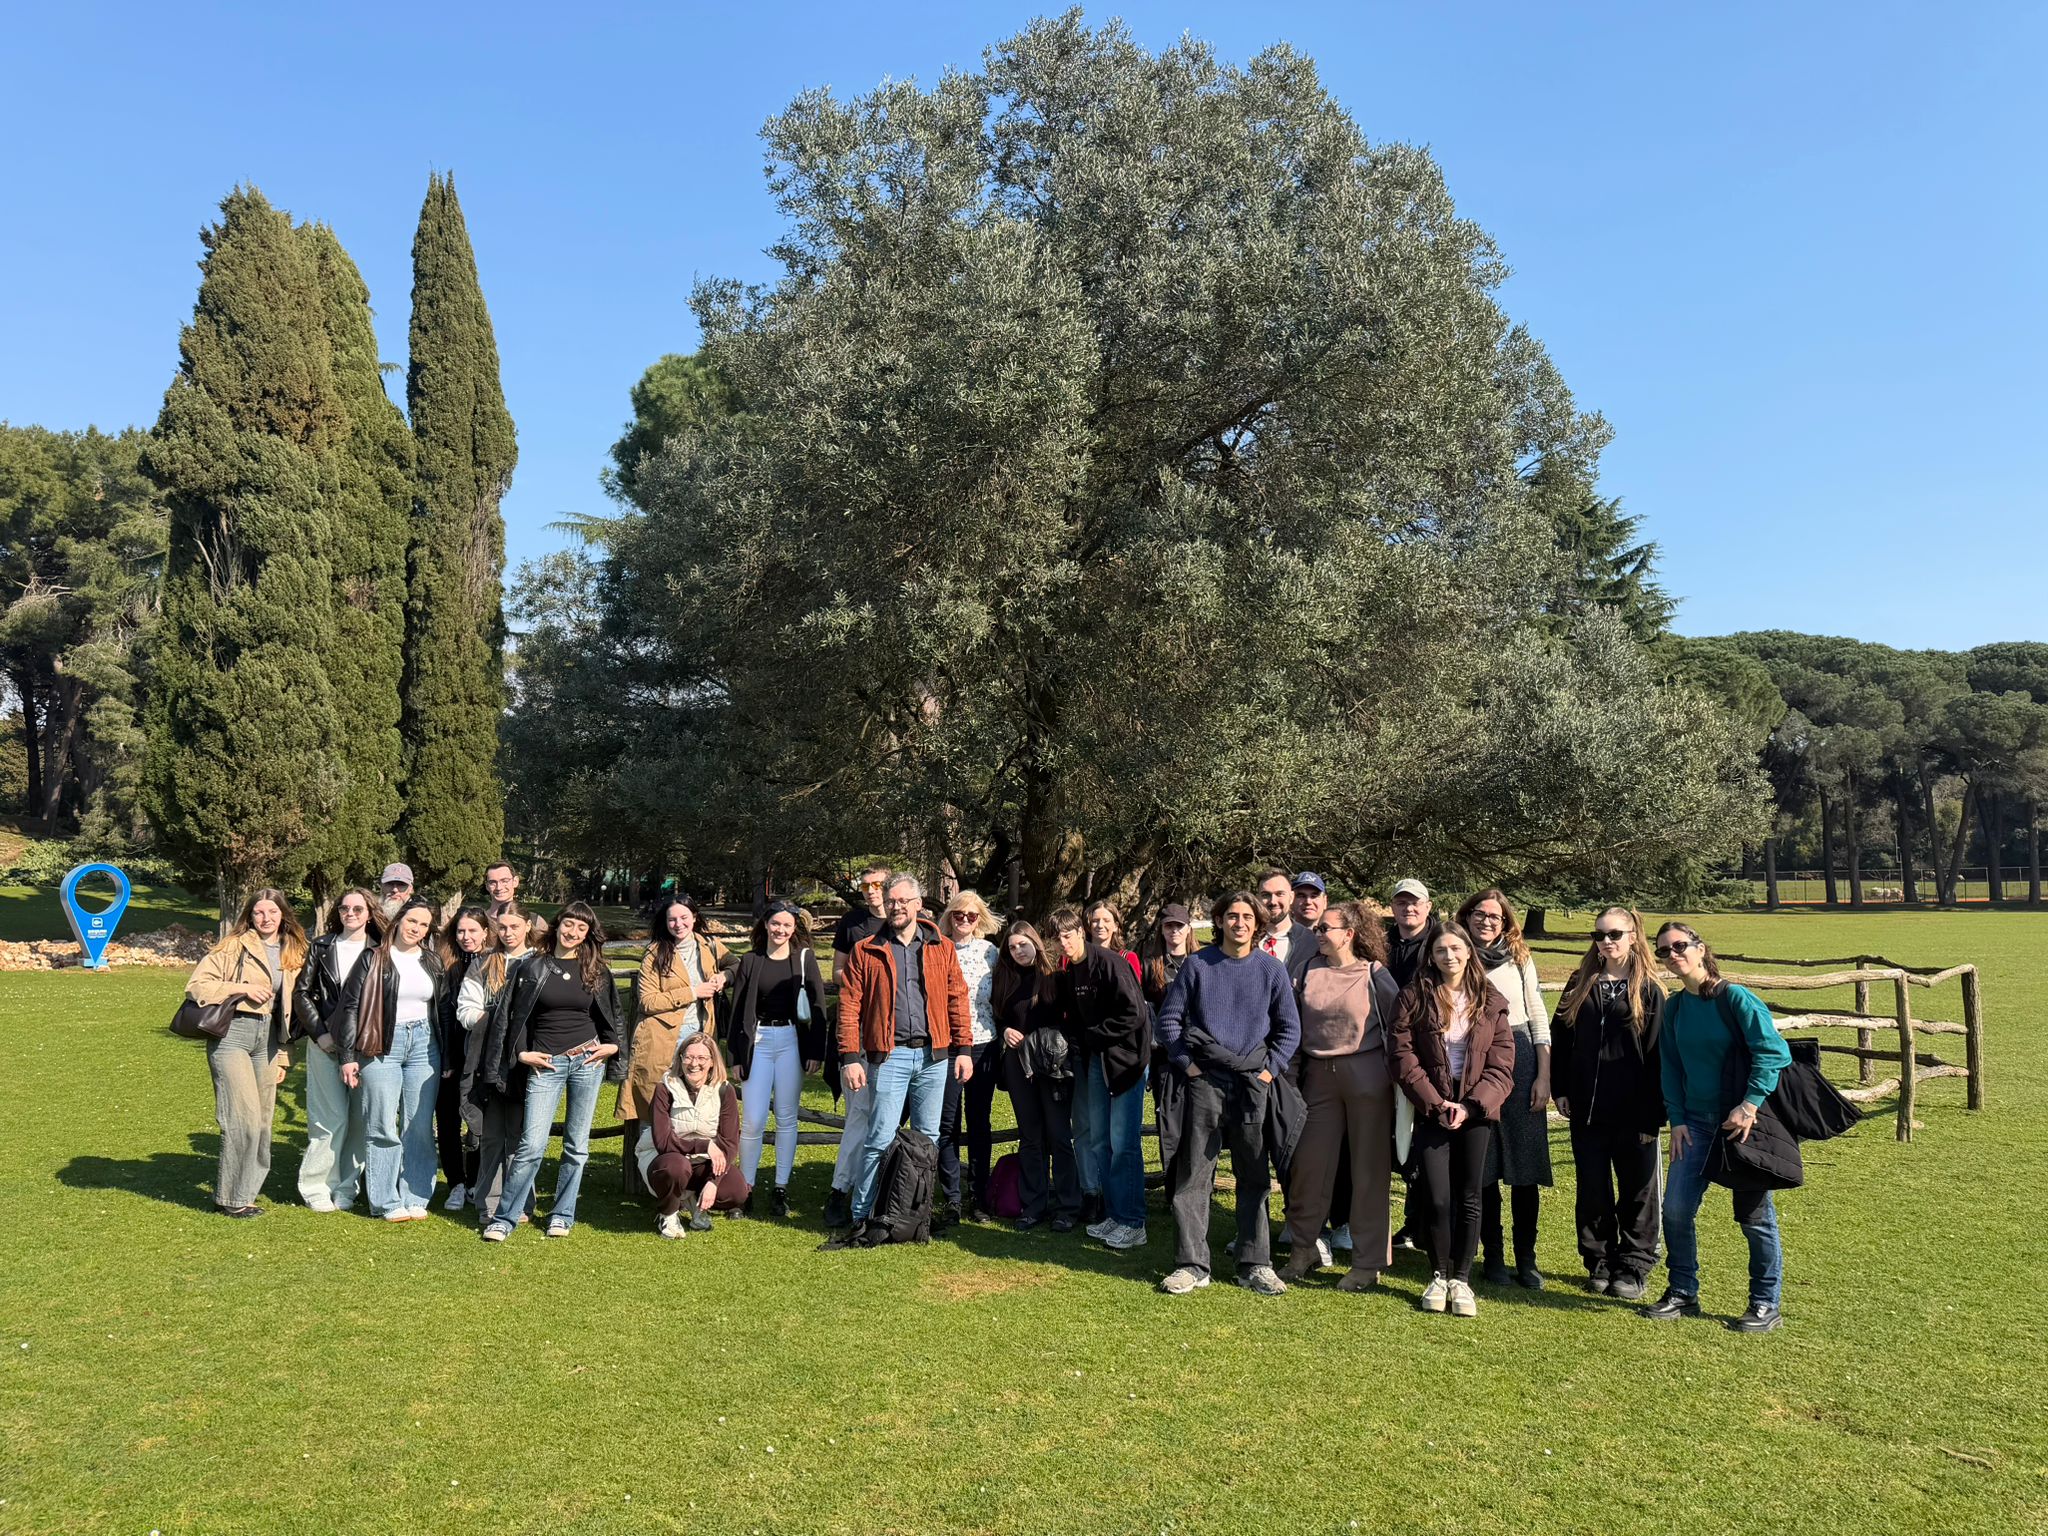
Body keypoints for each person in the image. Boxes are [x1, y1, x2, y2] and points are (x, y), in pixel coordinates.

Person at [1644, 921, 1791, 1333]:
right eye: (1663, 951)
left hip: (1741, 1125)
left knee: (1754, 1218)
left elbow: (1774, 1053)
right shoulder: (1675, 1007)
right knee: (1675, 1210)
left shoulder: (1735, 998)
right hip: (1694, 1124)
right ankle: (1682, 1291)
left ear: (1700, 948)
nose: (1673, 955)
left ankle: (1765, 1303)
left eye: (1679, 946)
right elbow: (1670, 1068)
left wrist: (1749, 1104)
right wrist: (1676, 1120)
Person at [1153, 890, 1300, 1296]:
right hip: (1206, 1083)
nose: (1240, 923)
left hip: (1253, 1084)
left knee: (1253, 1174)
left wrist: (1269, 1072)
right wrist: (1189, 1065)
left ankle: (1255, 1264)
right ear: (1219, 921)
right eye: (1232, 916)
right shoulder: (1198, 965)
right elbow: (1168, 1023)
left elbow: (1289, 1029)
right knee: (1194, 1174)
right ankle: (1191, 1264)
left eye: (1247, 917)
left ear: (1257, 924)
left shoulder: (1270, 969)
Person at [824, 874, 973, 1248]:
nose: (896, 907)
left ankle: (916, 1217)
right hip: (888, 1056)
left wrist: (964, 1050)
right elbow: (849, 1007)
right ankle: (862, 1216)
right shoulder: (867, 949)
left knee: (928, 1141)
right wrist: (850, 1057)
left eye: (904, 900)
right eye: (891, 901)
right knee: (878, 1138)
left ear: (919, 904)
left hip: (934, 1057)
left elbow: (957, 999)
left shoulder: (941, 946)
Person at [1387, 921, 1516, 1317]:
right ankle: (1439, 1275)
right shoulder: (1414, 996)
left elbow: (1502, 1064)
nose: (1449, 956)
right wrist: (1435, 1102)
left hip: (1475, 1113)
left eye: (1456, 948)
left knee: (1470, 1196)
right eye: (1441, 950)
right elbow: (1402, 1055)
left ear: (1468, 952)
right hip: (1432, 1110)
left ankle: (1461, 1279)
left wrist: (1471, 1106)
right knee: (1437, 1197)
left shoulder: (1490, 1000)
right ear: (1431, 955)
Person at [482, 901, 622, 1241]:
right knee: (532, 1144)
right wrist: (522, 1053)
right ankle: (505, 1218)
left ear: (588, 934)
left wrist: (612, 1046)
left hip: (586, 1061)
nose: (573, 932)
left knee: (576, 1146)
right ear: (557, 925)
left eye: (581, 928)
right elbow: (514, 1015)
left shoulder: (596, 970)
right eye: (569, 924)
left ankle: (562, 1215)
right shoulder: (532, 967)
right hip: (545, 1064)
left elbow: (612, 1013)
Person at [1280, 900, 1400, 1290]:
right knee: (1308, 1167)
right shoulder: (1305, 970)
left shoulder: (1374, 974)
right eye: (1317, 928)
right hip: (1317, 1078)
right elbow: (1290, 1026)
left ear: (1349, 934)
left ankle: (1368, 1263)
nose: (1317, 933)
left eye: (1325, 928)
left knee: (1369, 1170)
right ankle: (1303, 1249)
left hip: (1368, 1078)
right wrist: (1291, 1077)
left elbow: (1398, 1027)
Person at [1551, 907, 1667, 1300]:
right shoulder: (1580, 983)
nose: (1606, 941)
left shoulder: (1649, 989)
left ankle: (1633, 1267)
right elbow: (1561, 1039)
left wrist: (1654, 1113)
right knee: (1593, 1190)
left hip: (1635, 1112)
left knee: (1638, 1192)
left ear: (1633, 936)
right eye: (1599, 935)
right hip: (1586, 1110)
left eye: (1615, 934)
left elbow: (1659, 1055)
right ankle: (1598, 1262)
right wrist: (1561, 1088)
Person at [186, 888, 309, 1217]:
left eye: (272, 912)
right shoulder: (233, 945)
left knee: (263, 1121)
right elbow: (197, 986)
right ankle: (231, 1199)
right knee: (242, 1119)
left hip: (269, 1041)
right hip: (233, 1035)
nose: (266, 918)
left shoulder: (294, 951)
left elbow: (291, 1011)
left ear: (283, 914)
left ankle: (244, 1193)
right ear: (250, 916)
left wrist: (284, 1055)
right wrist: (242, 989)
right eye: (259, 912)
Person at [1457, 888, 1553, 1289]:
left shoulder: (1519, 957)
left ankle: (1526, 1259)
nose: (1486, 921)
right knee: (1484, 1164)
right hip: (1475, 1058)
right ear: (1467, 916)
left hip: (1522, 1056)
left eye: (1494, 916)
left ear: (1505, 922)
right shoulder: (1456, 953)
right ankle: (1493, 1256)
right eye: (1479, 914)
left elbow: (1537, 1013)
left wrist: (1544, 1075)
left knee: (1525, 1163)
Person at [335, 897, 447, 1221]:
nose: (416, 928)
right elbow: (350, 1007)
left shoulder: (432, 960)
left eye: (423, 925)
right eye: (412, 921)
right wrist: (347, 1055)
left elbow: (442, 1009)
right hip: (382, 1044)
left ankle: (416, 1195)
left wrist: (449, 1055)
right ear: (398, 921)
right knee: (382, 1123)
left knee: (419, 1124)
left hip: (425, 1045)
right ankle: (385, 1201)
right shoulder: (372, 958)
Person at [1052, 906, 1151, 1251]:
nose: (1064, 943)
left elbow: (1135, 1013)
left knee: (1124, 1143)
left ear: (1081, 932)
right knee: (1099, 1141)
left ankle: (1133, 1221)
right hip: (1097, 1060)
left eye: (1069, 935)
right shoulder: (1072, 971)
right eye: (1058, 939)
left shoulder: (1110, 963)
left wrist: (1095, 1035)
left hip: (1127, 1061)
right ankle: (1114, 1213)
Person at [618, 896, 734, 1189]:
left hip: (700, 1042)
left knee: (698, 1108)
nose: (678, 924)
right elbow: (647, 1001)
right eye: (672, 919)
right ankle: (655, 1179)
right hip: (661, 1042)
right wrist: (693, 992)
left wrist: (723, 977)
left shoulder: (709, 946)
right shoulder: (655, 952)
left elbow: (736, 964)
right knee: (654, 1109)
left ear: (694, 917)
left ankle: (693, 1177)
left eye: (684, 917)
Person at [725, 901, 827, 1218]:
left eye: (787, 925)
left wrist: (816, 1051)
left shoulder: (804, 959)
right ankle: (746, 1188)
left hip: (791, 1041)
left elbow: (818, 1006)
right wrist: (735, 1056)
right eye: (775, 924)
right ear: (765, 925)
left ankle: (781, 1188)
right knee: (753, 1119)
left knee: (786, 1117)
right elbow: (738, 1010)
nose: (780, 930)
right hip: (759, 1042)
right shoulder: (750, 960)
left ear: (794, 928)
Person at [293, 888, 379, 1211]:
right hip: (326, 1044)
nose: (350, 914)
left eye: (358, 909)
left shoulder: (379, 950)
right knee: (329, 1118)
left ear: (369, 913)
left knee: (358, 1120)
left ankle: (346, 1187)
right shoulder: (322, 946)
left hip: (365, 1047)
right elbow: (302, 993)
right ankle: (316, 1186)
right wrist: (320, 1034)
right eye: (345, 908)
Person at [993, 920, 1078, 1229]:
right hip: (1018, 1063)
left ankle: (1068, 1205)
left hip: (1051, 1061)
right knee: (1030, 1135)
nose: (1018, 951)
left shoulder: (1056, 976)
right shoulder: (1005, 978)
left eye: (1023, 944)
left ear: (1035, 943)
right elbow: (998, 1016)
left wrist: (1049, 1038)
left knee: (1059, 1134)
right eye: (1012, 947)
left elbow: (1072, 1018)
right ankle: (1034, 1204)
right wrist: (1005, 1031)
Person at [458, 903, 539, 1228]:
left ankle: (520, 1200)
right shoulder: (484, 963)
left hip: (528, 1060)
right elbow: (466, 1009)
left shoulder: (540, 963)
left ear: (527, 926)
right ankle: (489, 1202)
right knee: (492, 1135)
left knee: (521, 1136)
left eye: (514, 926)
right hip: (488, 1058)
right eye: (502, 927)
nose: (508, 933)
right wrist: (496, 1022)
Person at [823, 865, 892, 1229]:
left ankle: (888, 1188)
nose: (871, 890)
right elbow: (837, 972)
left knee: (889, 1116)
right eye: (865, 886)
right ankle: (841, 1189)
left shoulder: (908, 923)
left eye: (877, 884)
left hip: (901, 1033)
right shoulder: (852, 924)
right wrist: (865, 972)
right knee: (860, 1114)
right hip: (860, 1029)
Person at [1383, 877, 1444, 1251]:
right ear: (1393, 907)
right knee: (1392, 1138)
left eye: (1415, 902)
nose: (1408, 908)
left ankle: (1421, 1224)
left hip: (1429, 1055)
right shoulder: (1381, 944)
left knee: (1425, 1140)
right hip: (1384, 1051)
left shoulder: (1439, 943)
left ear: (1428, 906)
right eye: (1402, 902)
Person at [935, 890, 1001, 1226]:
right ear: (949, 916)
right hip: (946, 1045)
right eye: (958, 914)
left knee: (979, 1121)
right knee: (947, 1122)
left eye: (971, 916)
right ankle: (951, 1196)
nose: (964, 920)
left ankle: (979, 1195)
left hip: (983, 1044)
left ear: (979, 920)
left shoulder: (991, 952)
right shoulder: (936, 948)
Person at [643, 1033, 750, 1237]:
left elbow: (729, 1143)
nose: (694, 1064)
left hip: (704, 1162)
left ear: (712, 1062)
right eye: (689, 1057)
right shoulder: (665, 1088)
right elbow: (663, 1142)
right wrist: (704, 1145)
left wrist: (713, 1182)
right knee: (676, 1167)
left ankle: (696, 1203)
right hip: (665, 1158)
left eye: (702, 1058)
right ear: (680, 1058)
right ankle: (668, 1214)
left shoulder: (724, 1090)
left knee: (737, 1190)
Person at [433, 906, 490, 1213]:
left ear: (485, 932)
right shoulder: (446, 965)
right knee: (447, 1118)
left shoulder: (494, 963)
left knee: (479, 1119)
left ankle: (476, 1181)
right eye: (460, 931)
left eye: (472, 931)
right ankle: (456, 1181)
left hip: (481, 1054)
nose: (466, 937)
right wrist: (446, 1059)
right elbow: (443, 1014)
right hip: (451, 1052)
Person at [1139, 903, 1198, 1186]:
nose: (1174, 931)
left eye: (1179, 925)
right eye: (1168, 926)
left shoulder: (1203, 960)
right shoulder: (1150, 965)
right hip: (1164, 1055)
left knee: (1200, 1123)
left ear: (1188, 928)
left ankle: (1199, 1188)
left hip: (1200, 1054)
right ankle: (1174, 1189)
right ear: (1161, 930)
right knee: (1170, 1126)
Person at [1254, 867, 1319, 995]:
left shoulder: (1311, 942)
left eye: (1280, 894)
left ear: (1291, 897)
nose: (1273, 901)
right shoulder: (1246, 939)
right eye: (1266, 895)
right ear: (1257, 899)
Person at [483, 860, 550, 948]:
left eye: (504, 881)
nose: (499, 887)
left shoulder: (536, 922)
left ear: (515, 881)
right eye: (492, 882)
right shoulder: (478, 921)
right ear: (487, 886)